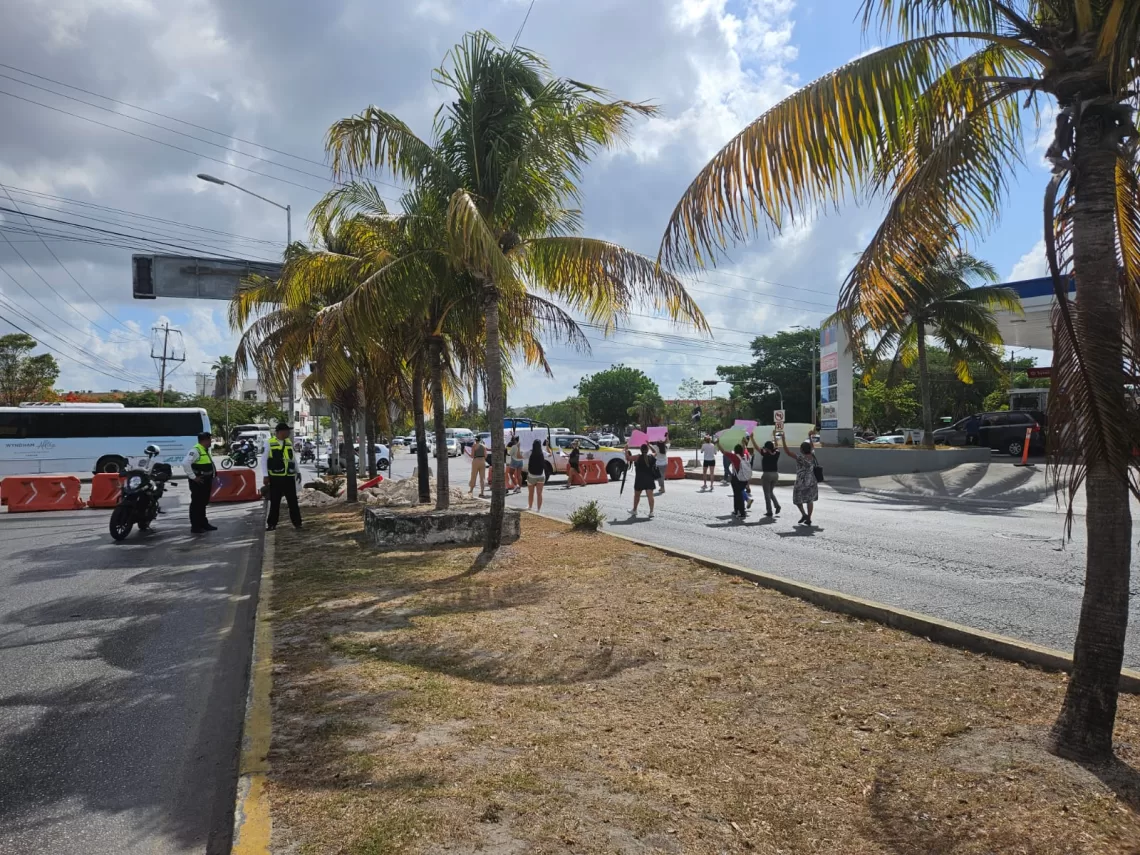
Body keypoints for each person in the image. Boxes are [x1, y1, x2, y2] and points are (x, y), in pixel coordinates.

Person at [261, 422, 302, 531]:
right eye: (287, 431)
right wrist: (265, 475)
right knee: (275, 502)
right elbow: (263, 460)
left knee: (293, 501)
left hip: (288, 476)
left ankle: (297, 523)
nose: (288, 433)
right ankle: (272, 524)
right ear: (280, 432)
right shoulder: (269, 443)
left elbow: (292, 459)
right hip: (276, 477)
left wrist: (298, 472)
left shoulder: (288, 443)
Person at [181, 430, 217, 533]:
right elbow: (185, 463)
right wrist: (193, 477)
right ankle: (195, 526)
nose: (211, 442)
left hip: (205, 481)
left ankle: (203, 523)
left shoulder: (203, 449)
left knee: (203, 503)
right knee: (197, 504)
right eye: (210, 440)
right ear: (204, 440)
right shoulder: (196, 450)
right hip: (198, 482)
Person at [782, 433, 819, 526]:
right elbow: (812, 447)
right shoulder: (812, 455)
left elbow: (787, 452)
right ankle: (809, 518)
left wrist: (783, 440)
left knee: (797, 499)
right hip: (812, 480)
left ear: (802, 450)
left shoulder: (800, 458)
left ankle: (803, 514)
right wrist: (810, 437)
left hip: (801, 481)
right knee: (809, 500)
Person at [717, 439, 750, 519]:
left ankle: (741, 512)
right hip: (745, 479)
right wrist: (743, 443)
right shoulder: (745, 456)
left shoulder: (734, 456)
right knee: (738, 494)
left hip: (737, 479)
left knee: (737, 495)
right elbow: (744, 448)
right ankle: (737, 511)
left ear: (735, 450)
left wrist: (718, 443)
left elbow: (723, 452)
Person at [624, 443, 656, 518]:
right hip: (649, 479)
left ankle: (634, 510)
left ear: (640, 450)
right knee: (650, 496)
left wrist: (626, 449)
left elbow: (628, 458)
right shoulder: (651, 457)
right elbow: (655, 452)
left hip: (640, 479)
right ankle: (651, 512)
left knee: (637, 496)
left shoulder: (637, 457)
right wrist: (649, 445)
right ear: (647, 450)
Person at [757, 438, 783, 517]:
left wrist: (752, 439)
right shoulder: (777, 453)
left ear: (767, 448)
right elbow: (777, 447)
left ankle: (769, 510)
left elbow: (756, 447)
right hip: (775, 474)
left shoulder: (765, 454)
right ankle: (777, 505)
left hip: (767, 475)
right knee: (770, 492)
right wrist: (775, 440)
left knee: (767, 494)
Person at [526, 439, 546, 511]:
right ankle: (538, 509)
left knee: (531, 492)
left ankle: (530, 507)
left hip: (531, 475)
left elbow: (520, 456)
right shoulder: (543, 452)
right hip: (541, 475)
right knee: (539, 493)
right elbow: (550, 454)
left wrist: (519, 447)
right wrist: (547, 446)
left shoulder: (530, 452)